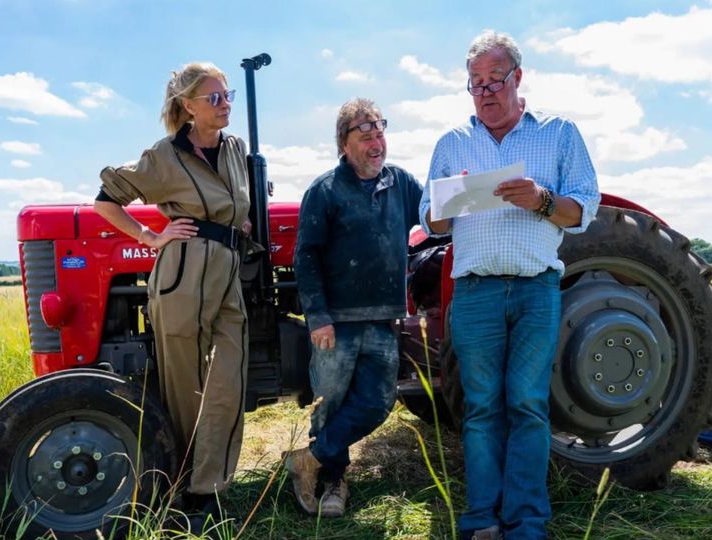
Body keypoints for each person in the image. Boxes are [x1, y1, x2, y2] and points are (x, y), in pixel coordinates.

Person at [419, 31, 601, 540]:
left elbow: (583, 209)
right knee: (480, 409)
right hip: (474, 292)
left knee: (527, 405)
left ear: (518, 78)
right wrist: (448, 203)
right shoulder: (452, 142)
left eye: (494, 81)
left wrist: (542, 199)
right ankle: (482, 518)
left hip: (535, 289)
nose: (484, 92)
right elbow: (430, 219)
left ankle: (525, 522)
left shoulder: (559, 134)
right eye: (475, 83)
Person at [94, 62, 252, 532]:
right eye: (214, 98)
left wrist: (237, 222)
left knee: (228, 382)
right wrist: (150, 236)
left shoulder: (236, 149)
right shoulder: (165, 156)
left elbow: (235, 204)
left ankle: (208, 483)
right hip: (182, 275)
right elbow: (106, 200)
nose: (225, 105)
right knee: (184, 390)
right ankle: (188, 496)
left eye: (227, 95)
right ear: (188, 106)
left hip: (227, 273)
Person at [286, 98, 423, 518]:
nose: (376, 142)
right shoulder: (325, 190)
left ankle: (308, 460)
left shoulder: (401, 183)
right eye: (365, 135)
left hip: (383, 319)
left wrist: (459, 194)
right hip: (337, 322)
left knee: (377, 402)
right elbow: (306, 256)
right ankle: (332, 482)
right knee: (329, 404)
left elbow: (434, 215)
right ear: (344, 144)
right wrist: (318, 317)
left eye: (380, 132)